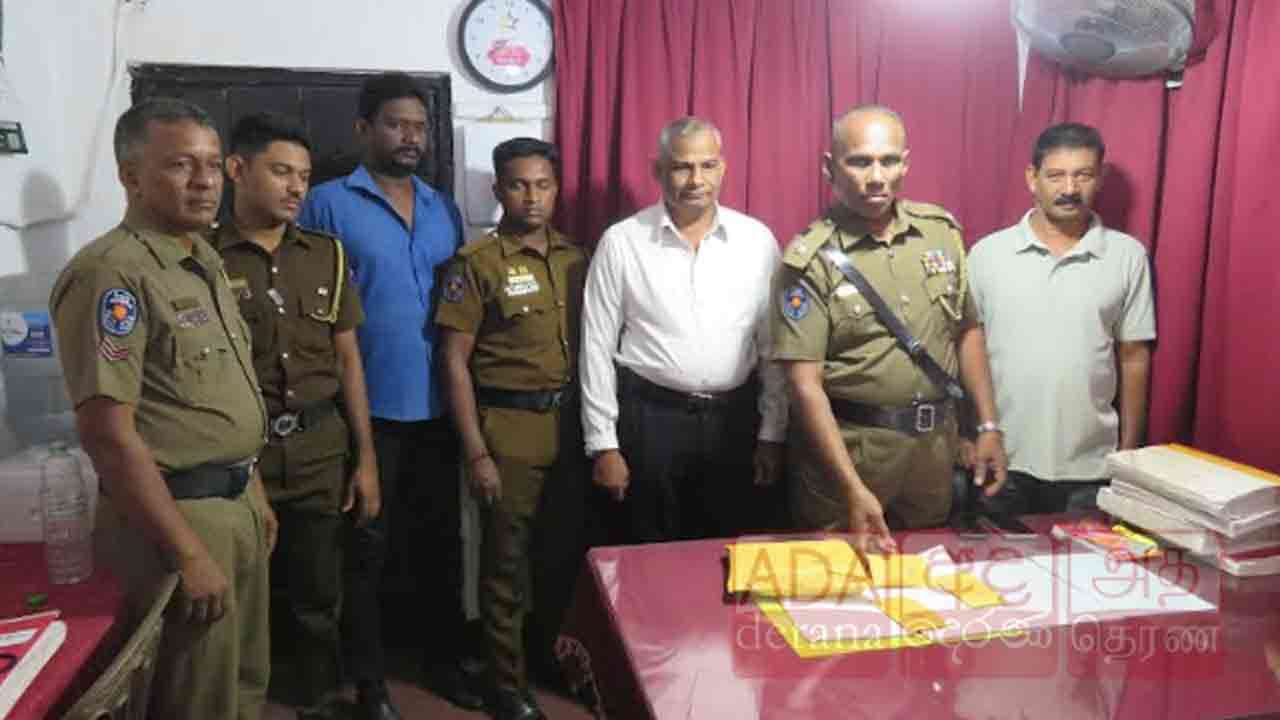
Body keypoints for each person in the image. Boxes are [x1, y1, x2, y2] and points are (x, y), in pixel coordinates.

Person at [50, 97, 275, 720]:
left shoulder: (201, 260)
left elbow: (214, 398)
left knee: (242, 689)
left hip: (233, 507)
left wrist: (252, 487)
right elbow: (107, 434)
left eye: (212, 164)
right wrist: (187, 553)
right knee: (193, 700)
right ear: (130, 176)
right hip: (176, 521)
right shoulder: (112, 275)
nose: (205, 181)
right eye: (180, 165)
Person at [298, 72, 473, 718]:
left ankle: (445, 663)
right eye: (397, 124)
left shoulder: (442, 207)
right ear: (364, 129)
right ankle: (370, 682)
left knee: (441, 545)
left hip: (440, 408)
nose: (410, 138)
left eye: (419, 127)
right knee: (365, 552)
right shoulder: (325, 205)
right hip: (365, 413)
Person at [772, 105, 1007, 550]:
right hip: (852, 457)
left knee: (928, 573)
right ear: (830, 168)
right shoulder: (808, 260)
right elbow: (804, 386)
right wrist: (851, 487)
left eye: (889, 161)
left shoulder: (940, 234)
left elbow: (967, 331)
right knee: (846, 582)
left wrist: (988, 424)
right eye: (860, 162)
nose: (877, 177)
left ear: (906, 163)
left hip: (932, 455)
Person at [213, 112, 379, 720]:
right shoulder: (202, 257)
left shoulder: (326, 255)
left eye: (304, 177)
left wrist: (366, 460)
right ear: (238, 169)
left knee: (318, 594)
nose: (295, 188)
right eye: (281, 172)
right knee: (237, 595)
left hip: (317, 450)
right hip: (238, 458)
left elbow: (348, 360)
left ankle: (315, 699)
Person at [580, 116, 787, 544]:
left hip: (735, 422)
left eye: (707, 165)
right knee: (650, 550)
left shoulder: (757, 241)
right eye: (682, 167)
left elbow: (773, 347)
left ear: (723, 168)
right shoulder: (623, 242)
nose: (696, 180)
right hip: (650, 421)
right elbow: (596, 346)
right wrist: (603, 444)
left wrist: (772, 433)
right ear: (658, 170)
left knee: (729, 550)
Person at [436, 137, 587, 720]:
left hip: (569, 427)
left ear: (557, 189)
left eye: (543, 184)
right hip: (508, 431)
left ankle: (549, 662)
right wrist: (476, 452)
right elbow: (453, 360)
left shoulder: (577, 258)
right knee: (504, 566)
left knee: (559, 557)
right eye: (519, 185)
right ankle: (506, 686)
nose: (533, 196)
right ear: (498, 189)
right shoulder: (477, 264)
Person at [968, 122, 1155, 515]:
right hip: (1002, 458)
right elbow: (968, 350)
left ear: (1099, 179)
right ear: (1031, 178)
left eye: (1083, 175)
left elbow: (1134, 356)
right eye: (1055, 175)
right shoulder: (987, 255)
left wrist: (1128, 456)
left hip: (1092, 466)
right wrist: (972, 436)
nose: (1069, 188)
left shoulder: (1127, 256)